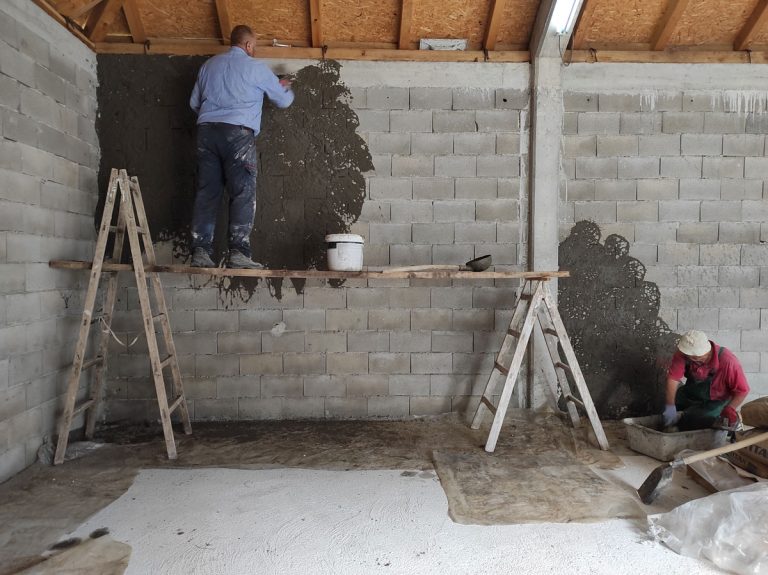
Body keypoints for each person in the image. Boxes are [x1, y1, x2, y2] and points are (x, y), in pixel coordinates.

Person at [189, 24, 294, 268]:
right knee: (243, 192)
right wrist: (285, 85)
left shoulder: (209, 66)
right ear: (248, 45)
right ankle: (238, 253)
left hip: (206, 133)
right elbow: (283, 101)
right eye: (254, 46)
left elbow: (194, 103)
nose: (254, 50)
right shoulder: (256, 68)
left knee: (207, 192)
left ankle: (201, 252)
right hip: (237, 135)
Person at [663, 330, 750, 431]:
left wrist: (730, 408)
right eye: (687, 355)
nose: (688, 357)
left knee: (700, 418)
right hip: (691, 393)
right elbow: (673, 378)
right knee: (673, 402)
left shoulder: (728, 362)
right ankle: (678, 424)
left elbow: (742, 391)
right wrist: (670, 405)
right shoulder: (683, 353)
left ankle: (732, 428)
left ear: (703, 353)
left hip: (716, 400)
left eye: (693, 357)